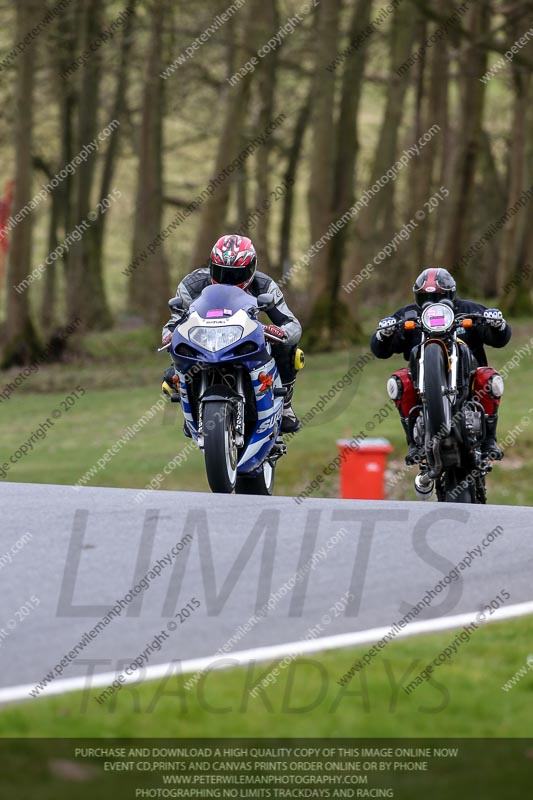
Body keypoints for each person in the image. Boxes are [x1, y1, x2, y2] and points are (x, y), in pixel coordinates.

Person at [162, 234, 302, 434]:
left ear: (252, 268)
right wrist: (169, 335)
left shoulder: (265, 285)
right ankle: (190, 403)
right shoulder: (191, 285)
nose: (227, 280)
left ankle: (285, 404)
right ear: (211, 266)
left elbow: (292, 324)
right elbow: (173, 322)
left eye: (236, 274)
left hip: (244, 338)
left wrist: (279, 332)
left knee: (291, 351)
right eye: (221, 272)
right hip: (203, 341)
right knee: (173, 368)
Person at [370, 267, 511, 464]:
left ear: (451, 294)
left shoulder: (468, 309)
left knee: (490, 378)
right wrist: (383, 334)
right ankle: (414, 443)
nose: (433, 305)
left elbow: (499, 339)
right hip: (422, 386)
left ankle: (489, 441)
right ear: (417, 298)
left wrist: (498, 324)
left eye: (439, 297)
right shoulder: (408, 314)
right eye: (426, 299)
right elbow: (380, 350)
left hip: (469, 381)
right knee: (398, 382)